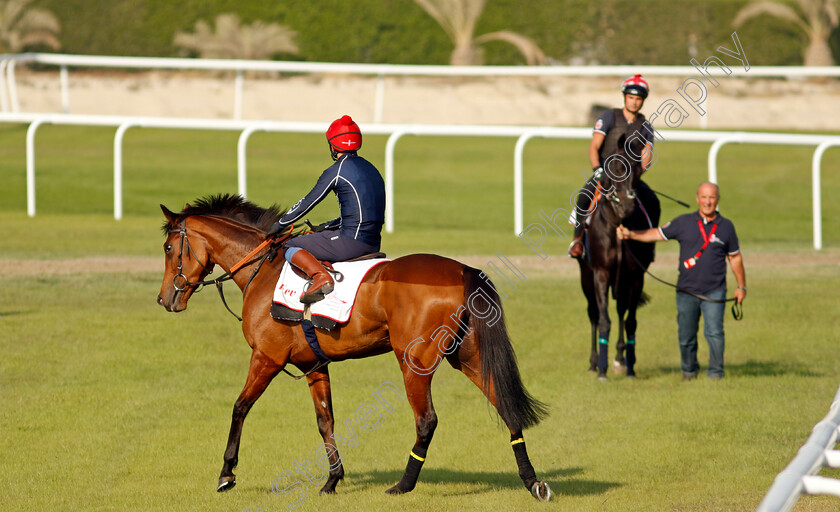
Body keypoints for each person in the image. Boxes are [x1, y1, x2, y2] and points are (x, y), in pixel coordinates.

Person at [616, 182, 747, 380]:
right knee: (686, 337)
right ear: (697, 199)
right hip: (686, 291)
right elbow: (657, 234)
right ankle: (689, 371)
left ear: (717, 200)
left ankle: (716, 374)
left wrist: (741, 286)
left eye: (711, 197)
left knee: (715, 334)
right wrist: (632, 234)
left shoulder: (726, 226)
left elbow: (735, 257)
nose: (707, 202)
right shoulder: (683, 222)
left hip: (715, 291)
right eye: (703, 197)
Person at [265, 115, 386, 303]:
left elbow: (308, 202)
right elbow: (365, 211)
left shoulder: (337, 170)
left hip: (350, 243)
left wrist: (280, 224)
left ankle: (321, 277)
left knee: (290, 244)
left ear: (333, 145)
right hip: (374, 243)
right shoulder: (372, 169)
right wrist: (328, 225)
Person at [568, 74, 659, 259]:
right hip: (605, 173)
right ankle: (577, 241)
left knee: (652, 201)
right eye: (631, 98)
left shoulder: (645, 126)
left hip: (630, 178)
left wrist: (637, 173)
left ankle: (649, 248)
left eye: (638, 99)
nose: (634, 102)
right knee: (584, 196)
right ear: (625, 97)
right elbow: (594, 146)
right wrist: (597, 170)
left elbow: (646, 157)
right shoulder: (609, 117)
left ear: (643, 101)